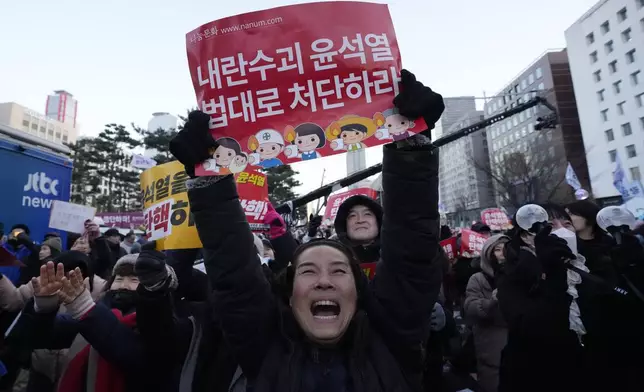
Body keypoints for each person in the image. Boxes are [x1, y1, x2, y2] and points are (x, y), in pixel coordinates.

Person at [171, 68, 445, 391]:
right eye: (309, 272)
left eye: (340, 271)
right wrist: (210, 176)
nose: (324, 282)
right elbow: (234, 274)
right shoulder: (264, 349)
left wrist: (410, 142)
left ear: (359, 293)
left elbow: (411, 257)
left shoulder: (391, 343)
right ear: (289, 294)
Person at [497, 208, 585, 392]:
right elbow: (532, 327)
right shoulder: (514, 276)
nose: (560, 231)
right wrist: (553, 275)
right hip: (539, 375)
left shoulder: (588, 266)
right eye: (550, 226)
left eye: (567, 224)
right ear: (527, 236)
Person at [464, 234, 509, 392]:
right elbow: (471, 308)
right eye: (497, 249)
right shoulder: (478, 279)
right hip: (490, 346)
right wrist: (492, 300)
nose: (502, 253)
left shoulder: (521, 276)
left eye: (506, 249)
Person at [333, 195, 382, 263]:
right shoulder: (332, 257)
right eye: (352, 215)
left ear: (379, 221)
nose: (360, 220)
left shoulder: (398, 251)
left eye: (367, 214)